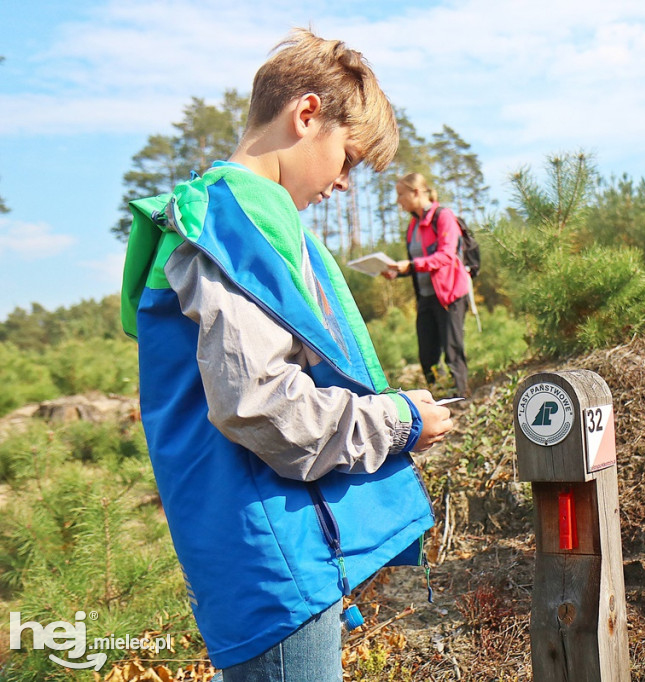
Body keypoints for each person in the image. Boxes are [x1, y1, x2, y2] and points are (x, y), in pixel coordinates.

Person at [120, 29, 452, 681]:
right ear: (306, 116)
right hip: (270, 563)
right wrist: (397, 423)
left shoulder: (238, 217)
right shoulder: (230, 228)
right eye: (348, 160)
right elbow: (262, 406)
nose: (344, 186)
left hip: (273, 544)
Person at [383, 173, 471, 399]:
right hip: (425, 296)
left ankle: (461, 398)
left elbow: (445, 256)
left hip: (449, 294)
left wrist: (410, 266)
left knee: (453, 351)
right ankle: (439, 397)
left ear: (416, 192)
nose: (398, 200)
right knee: (427, 355)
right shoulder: (413, 225)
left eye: (401, 194)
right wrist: (398, 272)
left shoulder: (443, 217)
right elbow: (419, 264)